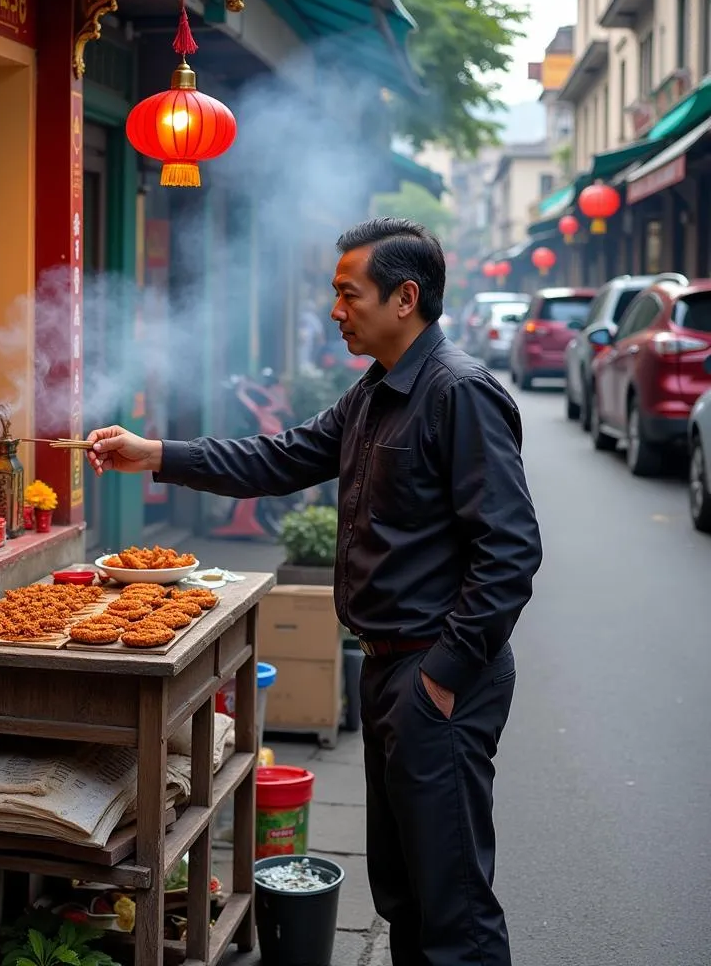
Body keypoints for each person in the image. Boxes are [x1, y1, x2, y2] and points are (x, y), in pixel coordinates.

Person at [85, 217, 543, 966]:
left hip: (437, 676)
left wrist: (444, 678)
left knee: (452, 906)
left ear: (405, 297)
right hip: (393, 672)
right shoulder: (374, 393)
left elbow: (512, 549)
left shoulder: (458, 392)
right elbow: (281, 456)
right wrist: (158, 454)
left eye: (347, 293)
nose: (336, 310)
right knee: (400, 892)